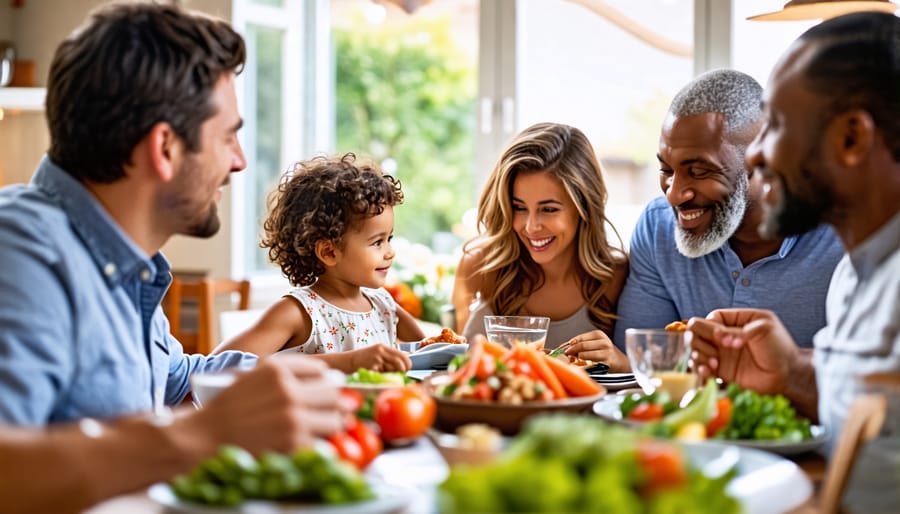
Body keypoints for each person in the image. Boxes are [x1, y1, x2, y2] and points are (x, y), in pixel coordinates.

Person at [0, 3, 344, 508]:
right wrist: (201, 437)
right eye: (227, 135)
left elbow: (178, 382)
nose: (239, 160)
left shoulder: (119, 261)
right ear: (165, 148)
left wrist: (323, 373)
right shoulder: (22, 252)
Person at [690, 11, 900, 438]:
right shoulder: (853, 275)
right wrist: (793, 375)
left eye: (777, 126)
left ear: (851, 138)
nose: (753, 157)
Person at [613, 69, 843, 349]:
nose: (674, 195)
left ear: (763, 158)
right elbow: (643, 361)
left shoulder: (844, 235)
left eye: (698, 171)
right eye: (666, 169)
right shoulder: (657, 227)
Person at [214, 154, 422, 373]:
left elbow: (431, 350)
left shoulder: (384, 306)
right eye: (377, 242)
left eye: (389, 239)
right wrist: (347, 362)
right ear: (329, 252)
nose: (390, 252)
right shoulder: (297, 312)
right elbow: (216, 369)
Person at [452, 122, 630, 371]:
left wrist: (620, 362)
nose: (531, 226)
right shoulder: (479, 266)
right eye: (519, 207)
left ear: (584, 208)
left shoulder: (614, 277)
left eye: (548, 209)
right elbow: (457, 365)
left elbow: (647, 379)